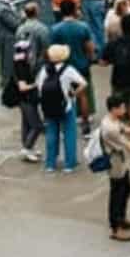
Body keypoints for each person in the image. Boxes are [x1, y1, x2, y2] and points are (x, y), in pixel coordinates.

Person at [97, 94, 130, 242]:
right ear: (114, 109)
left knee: (126, 188)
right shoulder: (110, 128)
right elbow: (129, 145)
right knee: (117, 193)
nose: (124, 109)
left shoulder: (113, 120)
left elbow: (128, 130)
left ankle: (121, 218)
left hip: (121, 162)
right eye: (122, 107)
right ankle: (115, 227)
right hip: (116, 162)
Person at [37, 42, 87, 175]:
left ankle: (50, 164)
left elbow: (40, 88)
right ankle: (69, 163)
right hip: (66, 106)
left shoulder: (44, 70)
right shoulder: (68, 69)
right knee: (69, 134)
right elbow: (83, 83)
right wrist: (73, 93)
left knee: (51, 134)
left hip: (48, 107)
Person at [48, 0, 99, 119]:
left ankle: (73, 114)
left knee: (67, 91)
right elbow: (89, 47)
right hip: (82, 64)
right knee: (85, 94)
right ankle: (86, 117)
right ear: (74, 10)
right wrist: (91, 58)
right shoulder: (83, 27)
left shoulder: (55, 29)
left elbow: (53, 50)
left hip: (64, 67)